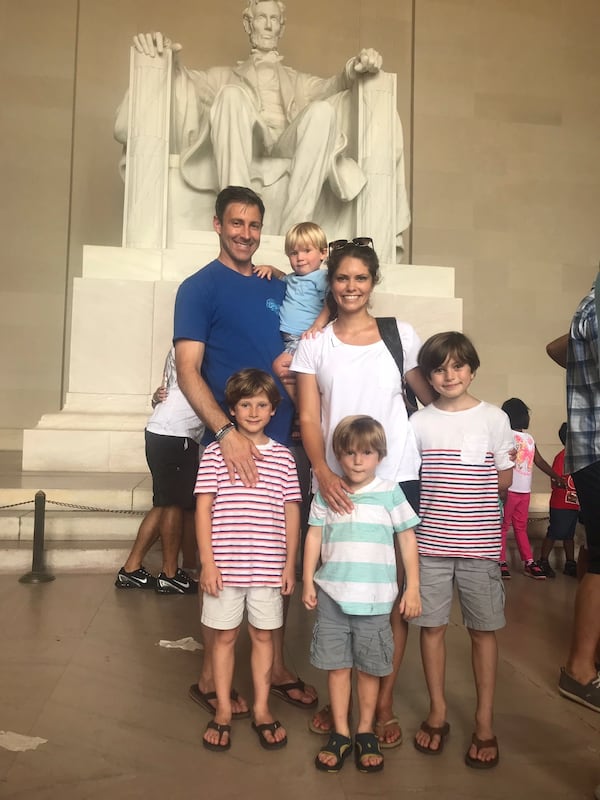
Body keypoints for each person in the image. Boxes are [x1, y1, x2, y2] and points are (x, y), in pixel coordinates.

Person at [174, 184, 317, 719]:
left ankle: (275, 667)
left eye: (255, 225)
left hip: (282, 440)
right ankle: (210, 678)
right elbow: (189, 370)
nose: (246, 234)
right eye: (237, 223)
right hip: (230, 440)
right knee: (226, 558)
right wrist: (223, 433)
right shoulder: (198, 287)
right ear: (218, 225)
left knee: (269, 554)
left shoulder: (274, 283)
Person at [292, 237, 435, 746]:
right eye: (342, 278)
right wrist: (322, 471)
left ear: (373, 282)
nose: (351, 287)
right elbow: (308, 415)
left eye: (360, 278)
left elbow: (430, 394)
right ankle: (339, 705)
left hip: (396, 476)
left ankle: (383, 700)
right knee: (336, 587)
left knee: (387, 593)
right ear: (330, 284)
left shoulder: (400, 335)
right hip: (334, 482)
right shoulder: (315, 344)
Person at [118, 1, 410, 236]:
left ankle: (296, 230)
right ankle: (238, 215)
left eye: (275, 19)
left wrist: (355, 66)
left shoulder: (299, 81)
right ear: (248, 23)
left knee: (322, 112)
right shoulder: (223, 77)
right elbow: (185, 80)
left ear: (282, 27)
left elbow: (334, 85)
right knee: (231, 95)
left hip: (285, 143)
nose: (268, 25)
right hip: (248, 140)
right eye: (261, 17)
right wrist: (165, 54)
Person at [409, 331, 514, 769]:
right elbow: (411, 483)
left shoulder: (494, 418)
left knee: (482, 631)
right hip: (429, 546)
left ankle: (484, 722)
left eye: (457, 365)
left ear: (472, 368)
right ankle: (437, 711)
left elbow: (505, 478)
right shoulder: (419, 423)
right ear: (428, 376)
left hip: (479, 547)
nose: (449, 375)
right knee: (431, 629)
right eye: (438, 368)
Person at [303, 415, 421, 773]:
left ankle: (365, 730)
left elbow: (407, 540)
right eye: (350, 453)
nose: (357, 460)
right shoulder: (329, 492)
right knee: (338, 668)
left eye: (366, 453)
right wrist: (307, 579)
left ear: (380, 456)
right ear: (338, 454)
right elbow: (313, 536)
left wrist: (412, 587)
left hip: (375, 601)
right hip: (332, 598)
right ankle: (341, 732)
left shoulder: (389, 492)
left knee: (369, 669)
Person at [196, 369, 300, 752]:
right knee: (223, 637)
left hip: (268, 568)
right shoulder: (214, 454)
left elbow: (291, 513)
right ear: (232, 409)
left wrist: (290, 565)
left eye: (261, 404)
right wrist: (207, 562)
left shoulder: (285, 459)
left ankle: (261, 709)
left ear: (273, 410)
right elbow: (203, 509)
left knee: (262, 635)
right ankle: (223, 709)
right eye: (245, 404)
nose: (253, 412)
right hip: (224, 567)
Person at [547, 271, 600, 714]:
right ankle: (581, 668)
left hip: (590, 450)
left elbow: (555, 349)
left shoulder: (585, 310)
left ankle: (583, 665)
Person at [115, 347, 203, 594]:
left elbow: (170, 386)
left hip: (166, 429)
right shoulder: (197, 345)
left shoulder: (183, 343)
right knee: (172, 503)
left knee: (164, 503)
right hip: (176, 432)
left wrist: (156, 398)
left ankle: (131, 569)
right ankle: (170, 574)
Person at [254, 221, 330, 402]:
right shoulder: (293, 278)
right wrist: (270, 269)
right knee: (295, 374)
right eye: (294, 253)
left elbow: (331, 303)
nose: (300, 257)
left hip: (304, 337)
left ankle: (301, 408)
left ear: (323, 253)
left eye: (306, 251)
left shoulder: (321, 277)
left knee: (280, 366)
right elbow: (281, 276)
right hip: (289, 339)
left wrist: (317, 326)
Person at [498, 397, 565, 580]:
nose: (528, 416)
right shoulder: (505, 436)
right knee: (504, 527)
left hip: (524, 491)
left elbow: (540, 461)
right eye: (526, 413)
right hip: (510, 489)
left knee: (520, 527)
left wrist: (556, 476)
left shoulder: (529, 439)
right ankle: (501, 561)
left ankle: (528, 561)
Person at [538, 422, 580, 579]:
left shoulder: (577, 459)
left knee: (569, 535)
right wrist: (561, 483)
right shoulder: (562, 457)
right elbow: (555, 479)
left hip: (574, 504)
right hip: (560, 504)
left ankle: (570, 563)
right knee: (555, 532)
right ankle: (543, 560)